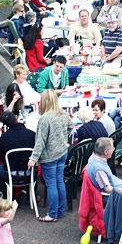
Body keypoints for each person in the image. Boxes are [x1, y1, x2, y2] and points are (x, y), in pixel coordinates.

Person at [27, 90, 74, 222]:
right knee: (59, 181)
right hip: (62, 152)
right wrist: (63, 138)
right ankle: (60, 210)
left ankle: (52, 214)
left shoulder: (45, 119)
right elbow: (71, 127)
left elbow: (40, 141)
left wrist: (33, 158)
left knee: (51, 184)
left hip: (50, 155)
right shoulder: (63, 114)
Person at [0, 110, 36, 199]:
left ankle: (8, 196)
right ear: (16, 118)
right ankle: (31, 196)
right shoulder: (31, 134)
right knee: (36, 166)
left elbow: (2, 157)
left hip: (11, 172)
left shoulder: (4, 137)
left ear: (5, 125)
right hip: (29, 171)